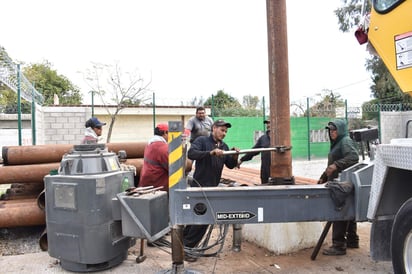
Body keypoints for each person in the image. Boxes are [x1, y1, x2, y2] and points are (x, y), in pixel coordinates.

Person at [183, 119, 239, 261]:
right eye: (222, 130)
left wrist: (234, 155)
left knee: (197, 219)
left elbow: (231, 165)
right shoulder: (202, 141)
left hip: (212, 188)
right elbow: (192, 154)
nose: (224, 133)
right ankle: (188, 249)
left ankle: (183, 245)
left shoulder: (224, 146)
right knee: (201, 220)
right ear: (214, 128)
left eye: (226, 131)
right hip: (200, 187)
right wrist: (210, 153)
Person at [318, 119, 360, 256]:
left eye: (334, 130)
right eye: (330, 130)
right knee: (348, 211)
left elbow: (354, 157)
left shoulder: (345, 141)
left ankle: (338, 245)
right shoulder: (337, 143)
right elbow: (331, 164)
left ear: (341, 130)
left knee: (338, 212)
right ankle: (352, 240)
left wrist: (336, 165)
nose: (331, 132)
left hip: (341, 184)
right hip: (342, 183)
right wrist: (323, 176)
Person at [237, 119, 271, 184]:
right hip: (265, 173)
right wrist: (241, 160)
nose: (268, 125)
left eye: (270, 123)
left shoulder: (282, 139)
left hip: (278, 173)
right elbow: (253, 151)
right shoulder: (263, 138)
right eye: (267, 123)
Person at [139, 123, 169, 192]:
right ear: (165, 133)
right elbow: (172, 168)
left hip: (146, 183)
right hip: (157, 185)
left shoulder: (150, 144)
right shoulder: (163, 148)